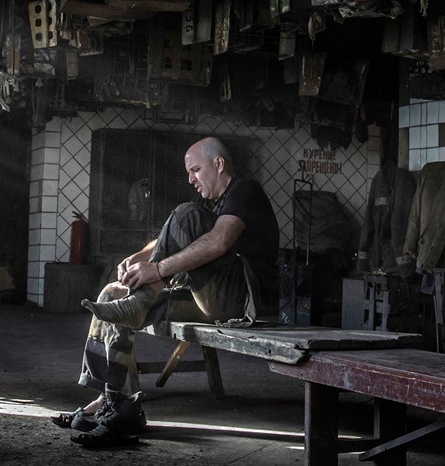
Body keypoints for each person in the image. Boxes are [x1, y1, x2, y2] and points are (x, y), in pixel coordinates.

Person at [52, 136, 279, 448]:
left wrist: (156, 271)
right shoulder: (210, 205)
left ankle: (143, 299)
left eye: (195, 170)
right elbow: (167, 235)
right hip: (209, 297)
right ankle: (119, 403)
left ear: (219, 164)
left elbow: (219, 242)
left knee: (185, 213)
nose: (190, 179)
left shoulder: (244, 190)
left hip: (243, 302)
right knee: (111, 295)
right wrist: (140, 258)